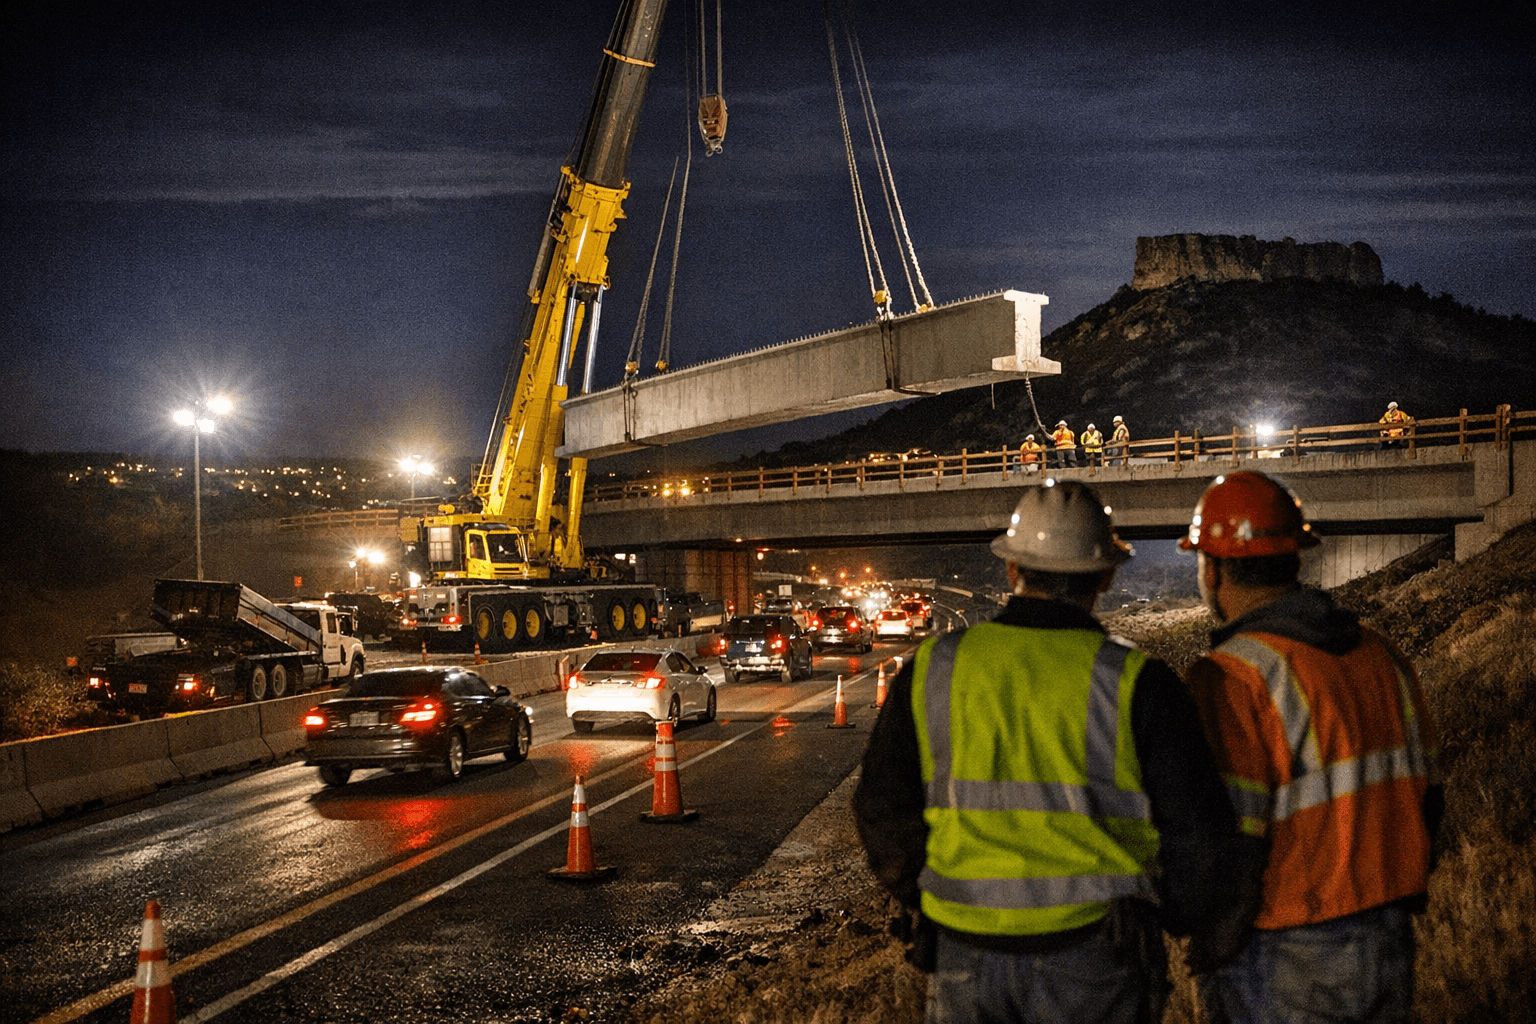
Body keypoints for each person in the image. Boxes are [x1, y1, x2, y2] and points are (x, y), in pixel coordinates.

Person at [854, 481, 1253, 1024]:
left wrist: (927, 892)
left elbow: (880, 805)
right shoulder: (1138, 682)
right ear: (1106, 575)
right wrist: (1170, 917)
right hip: (1098, 954)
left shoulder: (934, 666)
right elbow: (1197, 827)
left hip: (965, 951)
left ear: (1012, 570)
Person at [1179, 471, 1442, 1024]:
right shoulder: (1382, 655)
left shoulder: (1232, 676)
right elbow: (1429, 798)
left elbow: (1229, 840)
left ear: (1211, 569)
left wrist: (1212, 940)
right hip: (1388, 934)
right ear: (1295, 556)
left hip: (1287, 949)